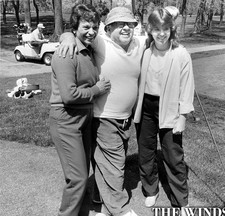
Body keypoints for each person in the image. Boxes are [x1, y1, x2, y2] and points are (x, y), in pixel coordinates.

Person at [58, 6, 146, 216]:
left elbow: (160, 33)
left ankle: (103, 207)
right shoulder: (100, 42)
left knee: (109, 165)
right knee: (115, 166)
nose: (126, 28)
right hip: (104, 117)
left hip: (125, 119)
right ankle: (120, 209)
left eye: (130, 24)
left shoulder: (138, 44)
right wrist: (67, 37)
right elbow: (77, 32)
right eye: (120, 24)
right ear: (108, 28)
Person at [49, 4, 111, 216]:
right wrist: (97, 89)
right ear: (75, 27)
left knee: (83, 174)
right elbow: (69, 95)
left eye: (95, 26)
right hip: (66, 119)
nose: (92, 31)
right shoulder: (66, 53)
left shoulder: (89, 50)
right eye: (86, 26)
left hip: (83, 119)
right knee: (76, 178)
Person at [133, 8, 195, 209]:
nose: (161, 33)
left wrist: (183, 117)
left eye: (166, 28)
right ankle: (150, 189)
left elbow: (187, 88)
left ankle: (180, 200)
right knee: (146, 152)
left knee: (173, 155)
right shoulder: (145, 51)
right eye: (156, 29)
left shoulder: (181, 54)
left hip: (170, 108)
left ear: (172, 29)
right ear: (149, 29)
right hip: (146, 108)